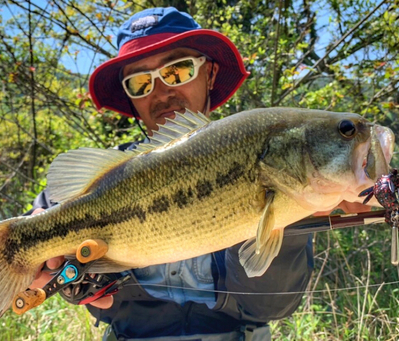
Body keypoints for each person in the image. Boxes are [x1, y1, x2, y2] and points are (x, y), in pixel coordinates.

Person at [27, 7, 368, 340]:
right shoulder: (99, 181)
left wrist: (289, 220)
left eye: (177, 71)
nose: (161, 92)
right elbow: (38, 224)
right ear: (130, 98)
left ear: (210, 73)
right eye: (141, 82)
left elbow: (271, 305)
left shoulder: (258, 155)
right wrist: (66, 275)